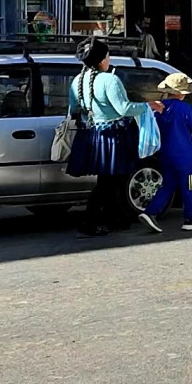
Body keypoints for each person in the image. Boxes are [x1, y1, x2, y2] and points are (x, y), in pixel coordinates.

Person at [68, 38, 165, 237]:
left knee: (109, 179)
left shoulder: (77, 80)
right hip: (112, 135)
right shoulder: (110, 80)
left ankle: (117, 219)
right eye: (107, 55)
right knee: (109, 181)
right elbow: (124, 108)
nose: (109, 58)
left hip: (91, 134)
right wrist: (148, 105)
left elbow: (72, 110)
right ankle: (89, 220)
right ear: (102, 59)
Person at [139, 73, 192, 233]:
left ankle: (151, 211)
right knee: (189, 185)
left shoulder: (159, 107)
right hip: (184, 154)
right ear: (182, 93)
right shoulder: (185, 109)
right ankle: (190, 218)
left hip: (165, 153)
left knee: (168, 184)